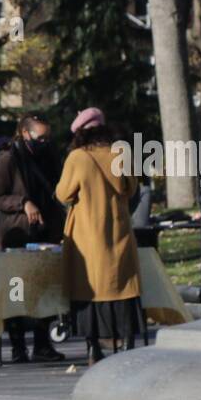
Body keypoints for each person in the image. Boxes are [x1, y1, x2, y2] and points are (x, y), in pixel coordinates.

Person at [55, 107, 141, 366]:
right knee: (123, 288)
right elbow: (132, 186)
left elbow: (63, 194)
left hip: (87, 235)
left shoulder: (77, 158)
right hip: (118, 231)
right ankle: (126, 344)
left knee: (88, 291)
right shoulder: (121, 151)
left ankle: (93, 348)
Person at [0, 115, 66, 363]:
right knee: (16, 291)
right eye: (39, 137)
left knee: (46, 288)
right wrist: (23, 203)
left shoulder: (49, 155)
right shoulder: (8, 158)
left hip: (46, 230)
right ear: (24, 132)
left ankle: (43, 343)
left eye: (47, 137)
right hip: (17, 232)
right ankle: (17, 345)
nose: (43, 141)